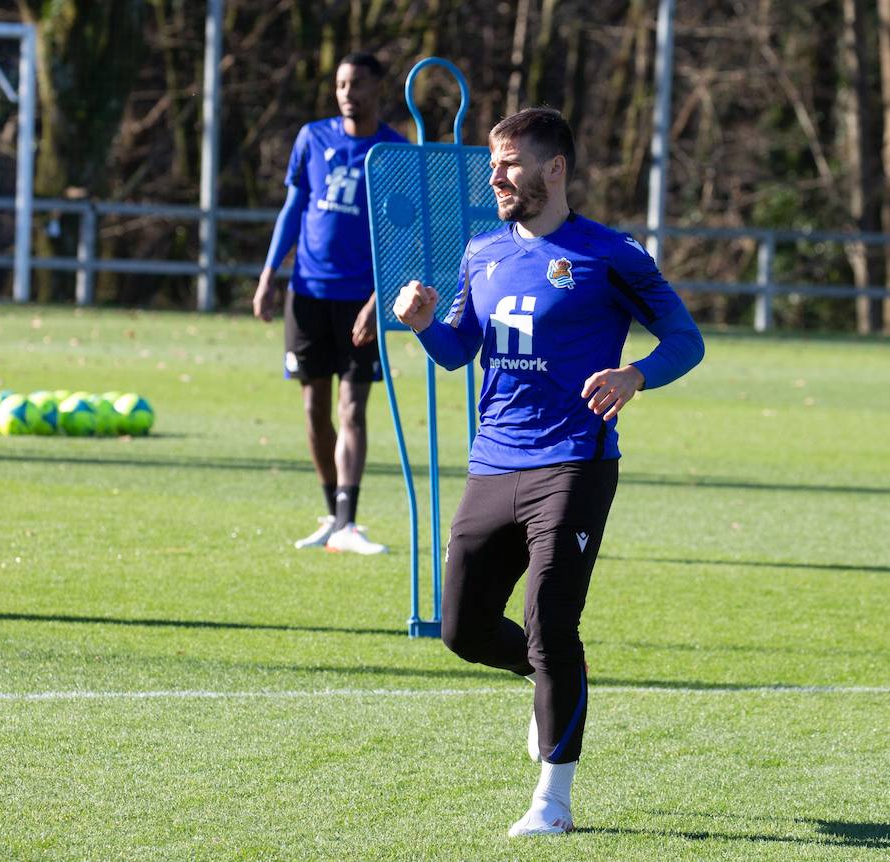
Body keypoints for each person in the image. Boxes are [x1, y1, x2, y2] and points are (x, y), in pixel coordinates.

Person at [393, 107, 704, 836]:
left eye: (508, 163)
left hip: (574, 462)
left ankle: (552, 802)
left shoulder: (612, 255)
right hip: (493, 463)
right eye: (493, 165)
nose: (495, 176)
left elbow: (686, 339)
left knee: (549, 622)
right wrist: (422, 324)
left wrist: (637, 375)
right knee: (461, 630)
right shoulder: (481, 251)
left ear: (554, 168)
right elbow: (458, 350)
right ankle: (546, 680)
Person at [252, 52, 406, 555]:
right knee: (315, 407)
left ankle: (349, 521)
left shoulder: (392, 153)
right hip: (308, 295)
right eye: (341, 84)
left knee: (352, 408)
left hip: (360, 300)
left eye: (357, 84)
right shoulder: (312, 138)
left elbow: (401, 238)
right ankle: (331, 513)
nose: (347, 93)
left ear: (378, 89)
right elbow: (293, 208)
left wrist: (379, 301)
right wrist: (269, 274)